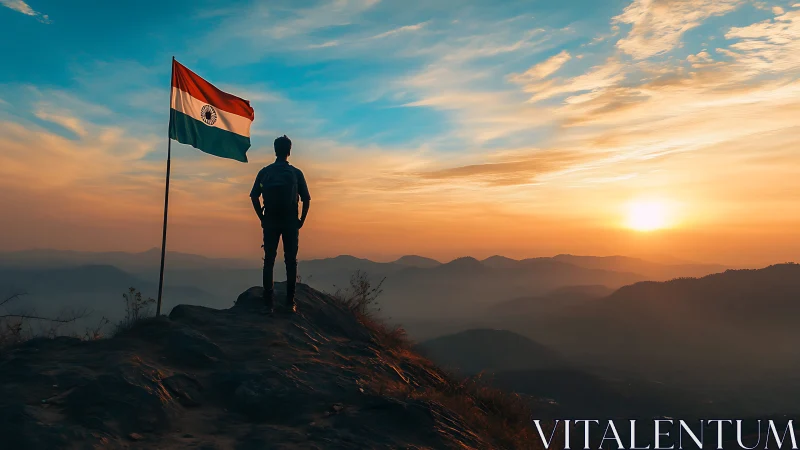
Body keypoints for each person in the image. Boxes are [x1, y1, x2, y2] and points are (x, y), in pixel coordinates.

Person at [250, 135, 311, 314]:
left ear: (275, 150)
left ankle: (268, 303)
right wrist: (302, 220)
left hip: (270, 220)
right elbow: (306, 199)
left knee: (269, 260)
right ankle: (290, 302)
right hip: (291, 221)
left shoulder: (265, 172)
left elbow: (254, 196)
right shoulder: (296, 173)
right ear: (289, 151)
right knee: (290, 261)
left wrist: (261, 217)